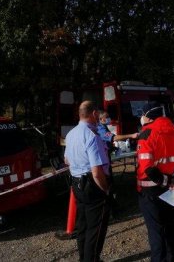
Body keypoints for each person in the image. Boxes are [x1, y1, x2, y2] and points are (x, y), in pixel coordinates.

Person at [137, 101, 174, 262]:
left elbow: (147, 167)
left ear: (148, 116)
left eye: (143, 115)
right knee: (171, 226)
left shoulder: (146, 134)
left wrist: (166, 181)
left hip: (150, 191)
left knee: (156, 231)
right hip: (172, 190)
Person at [64, 101, 111, 262]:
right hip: (92, 184)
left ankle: (84, 258)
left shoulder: (70, 134)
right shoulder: (92, 136)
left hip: (77, 183)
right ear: (94, 114)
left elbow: (67, 160)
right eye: (97, 114)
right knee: (95, 228)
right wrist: (106, 190)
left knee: (83, 226)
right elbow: (97, 172)